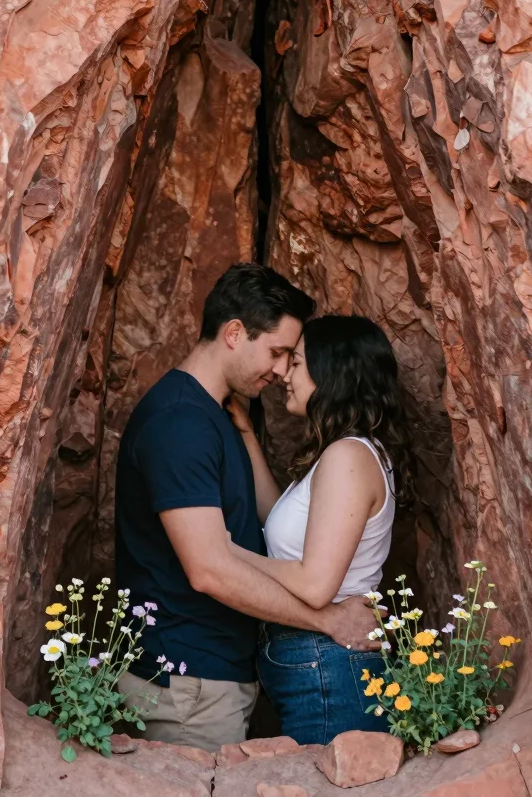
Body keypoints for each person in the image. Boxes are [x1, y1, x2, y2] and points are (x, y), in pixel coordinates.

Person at [114, 264, 380, 753]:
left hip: (210, 679)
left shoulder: (212, 416)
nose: (281, 370)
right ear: (234, 333)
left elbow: (262, 515)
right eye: (277, 352)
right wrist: (328, 620)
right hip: (187, 682)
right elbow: (210, 570)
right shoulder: (181, 423)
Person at [226, 314, 410, 745]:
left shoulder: (348, 456)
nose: (285, 374)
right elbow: (278, 526)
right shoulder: (344, 452)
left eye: (298, 362)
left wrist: (223, 553)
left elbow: (314, 584)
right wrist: (247, 437)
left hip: (330, 663)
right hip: (319, 659)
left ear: (332, 373)